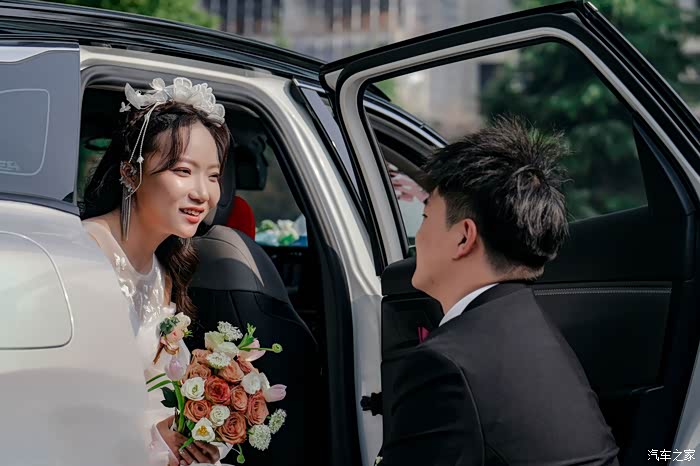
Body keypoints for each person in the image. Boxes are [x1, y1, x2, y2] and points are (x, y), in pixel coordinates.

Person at [377, 117, 620, 466]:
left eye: (426, 217)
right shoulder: (538, 332)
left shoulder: (444, 365)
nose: (419, 237)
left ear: (464, 237)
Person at [81, 77, 233, 466]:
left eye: (213, 175)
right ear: (130, 173)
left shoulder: (163, 272)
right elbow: (66, 392)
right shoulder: (85, 253)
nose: (203, 193)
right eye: (183, 170)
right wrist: (152, 438)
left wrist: (194, 431)